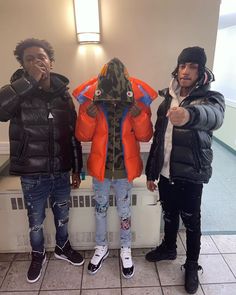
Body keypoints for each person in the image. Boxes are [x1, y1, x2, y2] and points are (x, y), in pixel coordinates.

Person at [0, 38, 84, 283]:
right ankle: (38, 255)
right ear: (23, 65)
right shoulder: (17, 92)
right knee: (35, 221)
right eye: (30, 59)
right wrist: (29, 82)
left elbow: (73, 135)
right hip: (32, 172)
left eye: (41, 57)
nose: (37, 62)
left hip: (61, 172)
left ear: (51, 61)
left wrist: (77, 169)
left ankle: (62, 247)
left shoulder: (63, 96)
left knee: (63, 216)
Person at [145, 46, 225, 294]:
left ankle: (191, 265)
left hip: (191, 174)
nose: (186, 71)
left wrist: (189, 114)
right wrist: (151, 171)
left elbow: (214, 116)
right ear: (177, 69)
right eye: (182, 65)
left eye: (192, 66)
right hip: (166, 171)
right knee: (169, 213)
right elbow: (159, 138)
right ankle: (169, 247)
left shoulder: (212, 98)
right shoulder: (167, 97)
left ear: (201, 71)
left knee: (191, 221)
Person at [73, 57, 157, 278]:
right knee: (99, 211)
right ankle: (101, 247)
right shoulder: (92, 103)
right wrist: (87, 115)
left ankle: (126, 248)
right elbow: (81, 135)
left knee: (124, 212)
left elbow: (146, 135)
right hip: (100, 170)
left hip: (124, 172)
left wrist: (139, 114)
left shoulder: (134, 105)